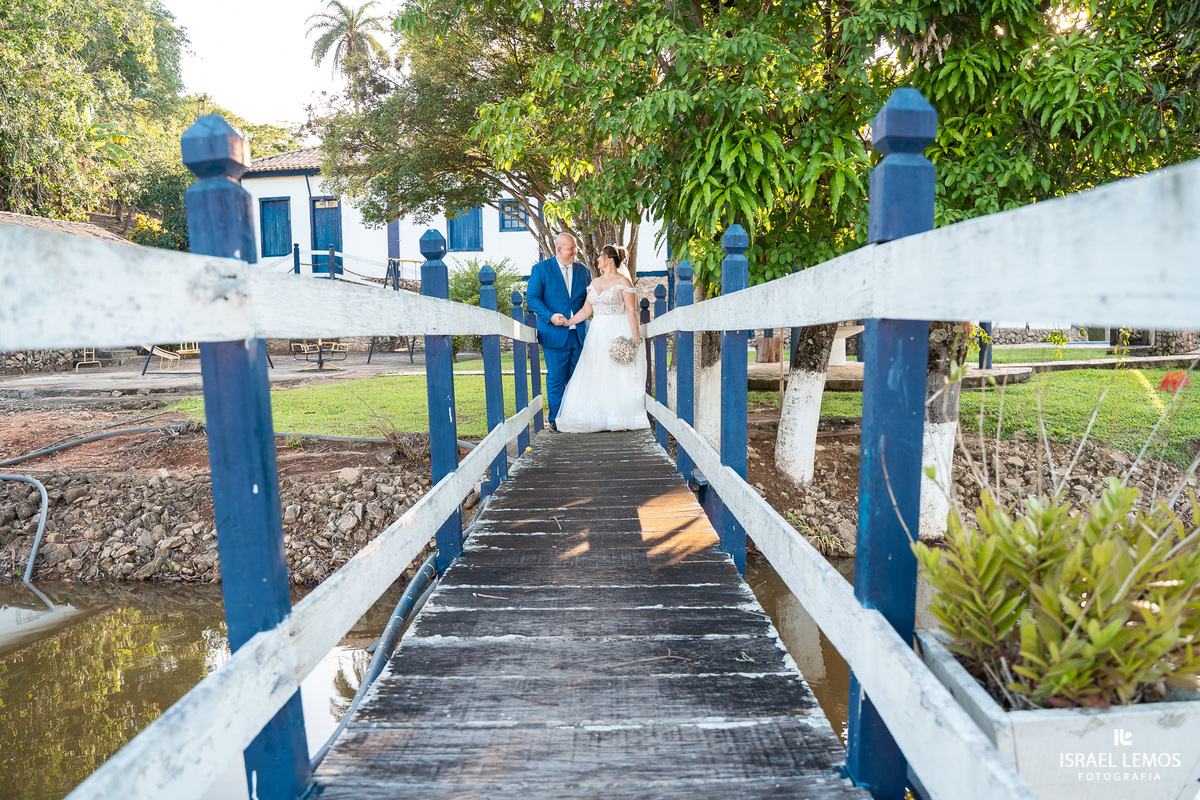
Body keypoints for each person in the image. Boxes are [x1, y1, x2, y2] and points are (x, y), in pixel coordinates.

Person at [553, 245, 650, 433]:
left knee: (616, 373)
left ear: (610, 260)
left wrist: (635, 337)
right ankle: (598, 415)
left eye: (600, 256)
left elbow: (630, 310)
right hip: (597, 333)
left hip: (617, 329)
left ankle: (617, 416)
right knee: (596, 371)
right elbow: (586, 310)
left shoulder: (624, 282)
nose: (597, 259)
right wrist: (568, 322)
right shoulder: (595, 282)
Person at [525, 232, 592, 432]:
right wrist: (550, 316)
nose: (575, 252)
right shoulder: (541, 270)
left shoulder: (584, 271)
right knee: (556, 378)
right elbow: (533, 298)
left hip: (579, 334)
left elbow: (588, 300)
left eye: (576, 248)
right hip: (553, 334)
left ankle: (574, 418)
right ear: (559, 249)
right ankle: (556, 421)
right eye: (571, 249)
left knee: (577, 378)